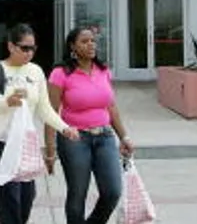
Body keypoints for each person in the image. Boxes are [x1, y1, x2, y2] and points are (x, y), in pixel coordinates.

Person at [0, 23, 79, 224]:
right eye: (24, 48)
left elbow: (44, 108)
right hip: (0, 147)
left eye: (33, 48)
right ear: (11, 46)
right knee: (8, 206)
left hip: (25, 147)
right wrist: (6, 103)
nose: (29, 53)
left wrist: (64, 128)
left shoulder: (36, 71)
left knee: (26, 201)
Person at [45, 26, 133, 224]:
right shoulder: (61, 73)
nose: (91, 44)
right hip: (74, 139)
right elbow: (50, 113)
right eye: (84, 41)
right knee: (78, 194)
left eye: (93, 40)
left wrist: (124, 137)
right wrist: (50, 151)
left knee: (112, 191)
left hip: (105, 137)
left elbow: (111, 107)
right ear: (72, 46)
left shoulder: (103, 71)